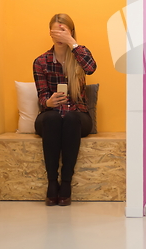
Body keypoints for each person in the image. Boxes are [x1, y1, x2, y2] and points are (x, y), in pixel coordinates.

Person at [33, 14, 97, 206]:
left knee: (70, 119)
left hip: (77, 116)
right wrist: (48, 102)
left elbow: (91, 68)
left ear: (70, 32)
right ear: (50, 33)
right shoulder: (41, 61)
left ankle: (66, 182)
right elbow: (42, 94)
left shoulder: (79, 56)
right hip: (50, 116)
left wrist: (73, 43)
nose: (59, 34)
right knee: (52, 119)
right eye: (56, 30)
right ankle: (52, 183)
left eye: (63, 30)